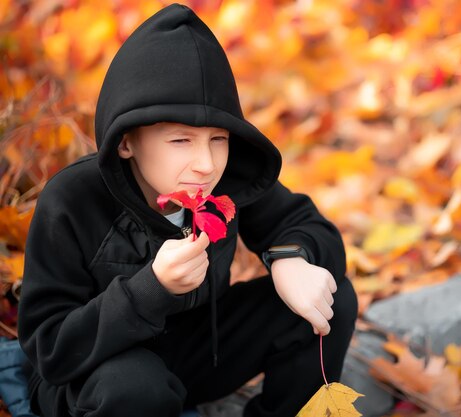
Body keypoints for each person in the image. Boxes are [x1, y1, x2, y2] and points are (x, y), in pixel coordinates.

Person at [17, 4, 358, 417]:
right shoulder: (72, 200)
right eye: (181, 141)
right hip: (91, 373)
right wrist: (152, 288)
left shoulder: (226, 182)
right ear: (126, 142)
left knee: (329, 299)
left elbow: (306, 226)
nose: (207, 163)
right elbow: (50, 348)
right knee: (137, 389)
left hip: (194, 355)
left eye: (218, 139)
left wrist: (290, 259)